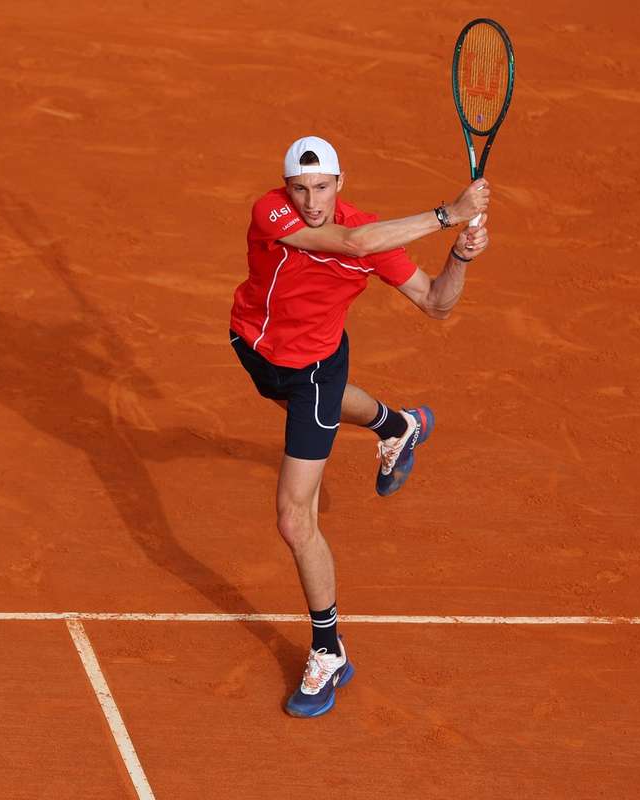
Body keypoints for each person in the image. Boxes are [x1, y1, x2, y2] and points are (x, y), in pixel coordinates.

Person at [228, 135, 490, 717]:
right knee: (297, 399)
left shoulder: (372, 236)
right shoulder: (271, 209)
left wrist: (461, 255)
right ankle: (397, 425)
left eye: (321, 187)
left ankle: (329, 651)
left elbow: (437, 303)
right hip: (256, 350)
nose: (309, 199)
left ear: (340, 183)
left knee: (295, 519)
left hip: (314, 372)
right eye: (300, 187)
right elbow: (351, 241)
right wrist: (449, 214)